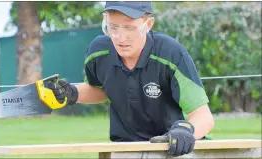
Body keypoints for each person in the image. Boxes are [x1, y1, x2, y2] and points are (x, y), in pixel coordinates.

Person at [47, 1, 215, 157]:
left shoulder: (171, 53)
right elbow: (100, 89)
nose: (120, 38)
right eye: (112, 27)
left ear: (148, 24)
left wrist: (185, 131)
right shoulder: (98, 52)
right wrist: (72, 92)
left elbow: (204, 118)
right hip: (125, 148)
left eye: (129, 28)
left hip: (174, 148)